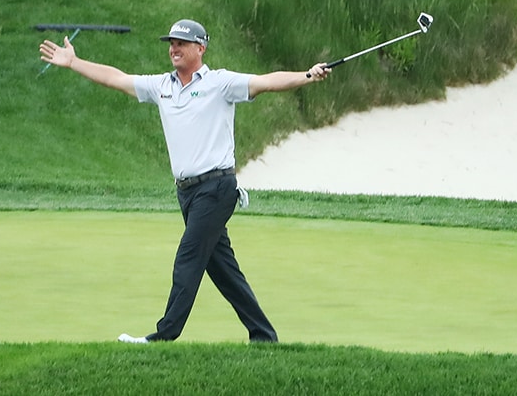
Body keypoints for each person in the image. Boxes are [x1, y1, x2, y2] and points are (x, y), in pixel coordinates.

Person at [36, 18, 333, 345]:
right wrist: (74, 62)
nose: (173, 49)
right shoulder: (162, 86)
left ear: (200, 48)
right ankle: (264, 337)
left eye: (181, 43)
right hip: (188, 193)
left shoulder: (220, 82)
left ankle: (164, 336)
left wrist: (306, 76)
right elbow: (116, 78)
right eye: (172, 43)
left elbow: (265, 82)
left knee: (188, 258)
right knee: (224, 271)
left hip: (216, 188)